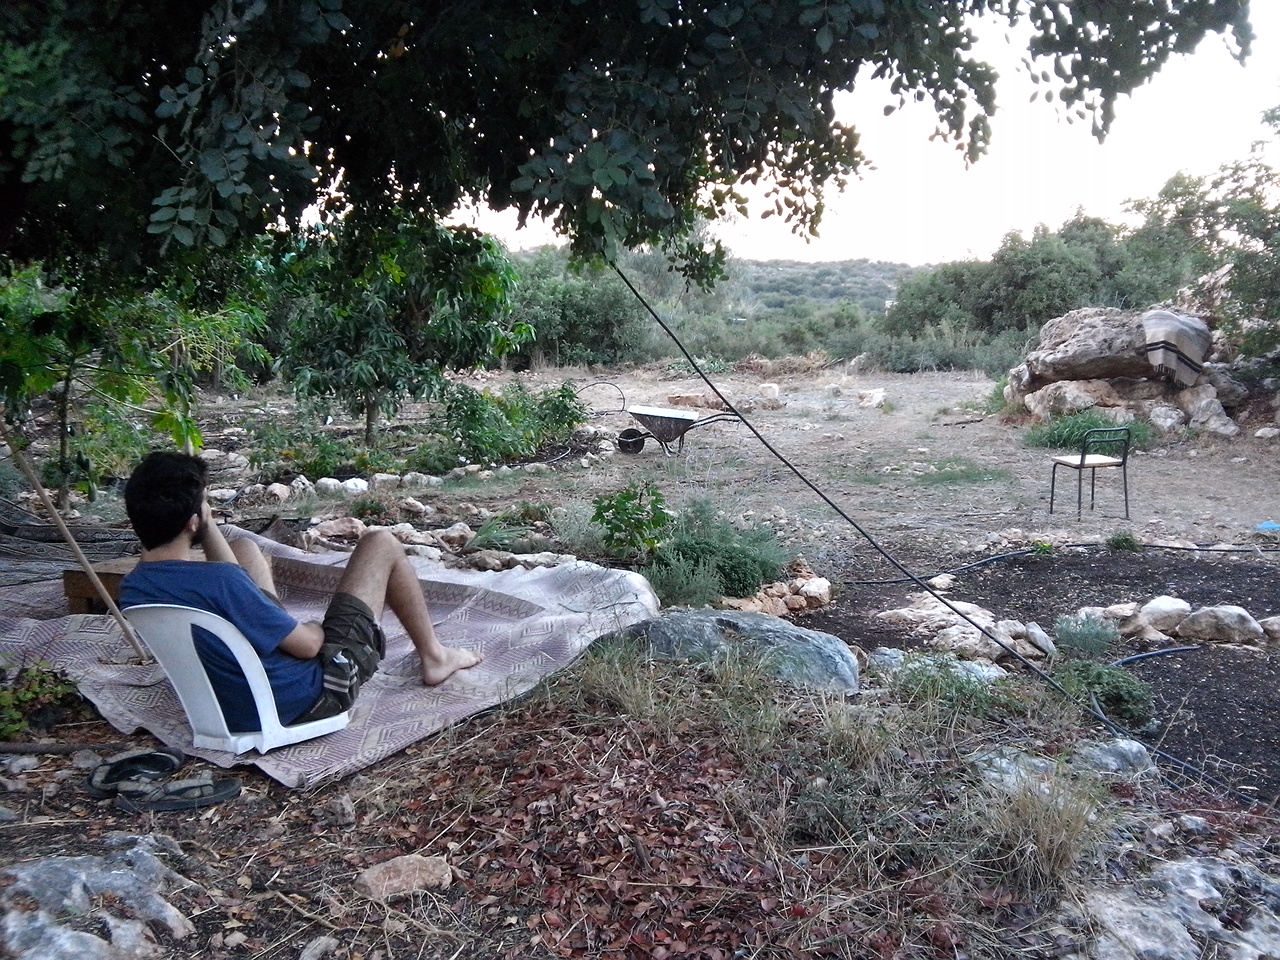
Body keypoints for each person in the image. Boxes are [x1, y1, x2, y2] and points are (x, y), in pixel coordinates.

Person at [119, 451, 481, 732]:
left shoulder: (135, 586)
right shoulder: (221, 583)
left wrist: (204, 521)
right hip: (308, 695)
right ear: (192, 521)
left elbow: (227, 574)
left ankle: (276, 624)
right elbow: (308, 647)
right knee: (380, 542)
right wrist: (312, 628)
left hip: (229, 704)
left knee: (245, 549)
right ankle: (435, 657)